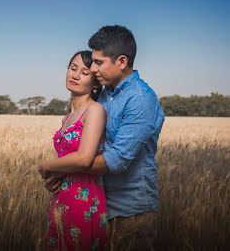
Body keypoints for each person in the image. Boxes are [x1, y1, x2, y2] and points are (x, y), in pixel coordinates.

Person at [44, 25, 165, 250]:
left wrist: (60, 169)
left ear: (121, 61)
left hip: (130, 212)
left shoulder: (140, 99)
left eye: (98, 63)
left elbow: (116, 160)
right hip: (98, 205)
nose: (93, 68)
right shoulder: (106, 94)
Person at [38, 50, 109, 251]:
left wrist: (45, 165)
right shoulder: (67, 118)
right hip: (61, 199)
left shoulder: (94, 110)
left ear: (96, 83)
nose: (75, 75)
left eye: (85, 72)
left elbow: (84, 158)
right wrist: (55, 179)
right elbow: (68, 161)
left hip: (85, 202)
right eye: (73, 68)